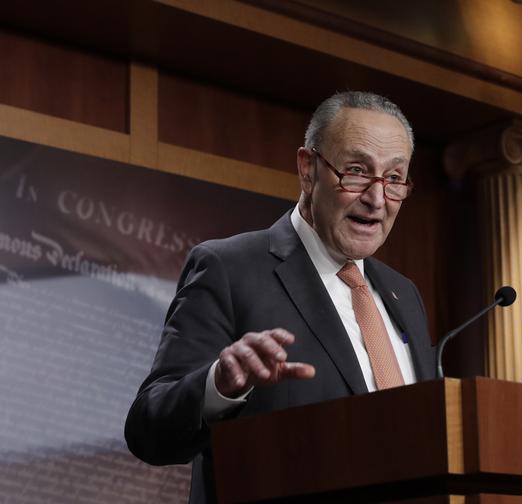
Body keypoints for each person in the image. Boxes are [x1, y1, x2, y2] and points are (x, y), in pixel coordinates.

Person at [125, 91, 435, 503]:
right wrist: (218, 385)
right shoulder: (228, 268)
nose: (377, 199)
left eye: (394, 178)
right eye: (357, 171)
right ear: (308, 169)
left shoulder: (404, 294)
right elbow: (148, 429)